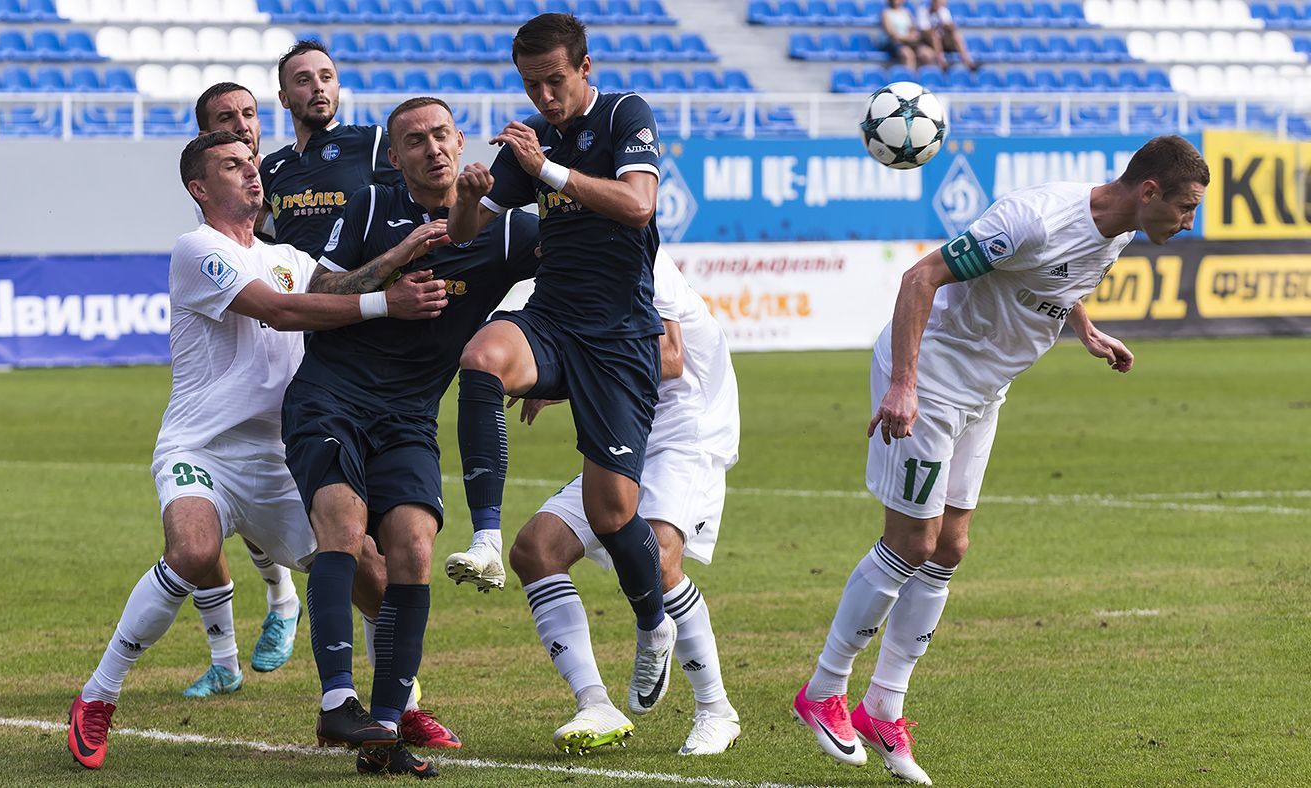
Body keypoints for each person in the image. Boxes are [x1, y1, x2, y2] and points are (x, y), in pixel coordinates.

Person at [793, 135, 1208, 785]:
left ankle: (883, 705)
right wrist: (904, 383)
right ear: (1149, 191)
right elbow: (920, 277)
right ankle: (822, 691)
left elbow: (1058, 282)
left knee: (950, 547)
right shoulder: (1034, 218)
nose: (1190, 223)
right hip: (930, 378)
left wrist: (1087, 332)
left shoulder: (1119, 232)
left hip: (984, 391)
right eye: (1185, 208)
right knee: (910, 543)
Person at [65, 130, 451, 772]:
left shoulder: (289, 255)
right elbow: (279, 310)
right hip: (204, 448)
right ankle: (98, 696)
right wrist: (387, 302)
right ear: (199, 187)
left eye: (252, 162)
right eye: (231, 165)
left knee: (378, 582)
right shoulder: (198, 249)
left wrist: (403, 250)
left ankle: (397, 707)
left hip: (278, 457)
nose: (251, 173)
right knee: (191, 551)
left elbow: (331, 285)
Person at [284, 96, 542, 778]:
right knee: (342, 525)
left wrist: (546, 364)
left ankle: (386, 731)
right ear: (393, 157)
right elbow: (323, 287)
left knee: (413, 551)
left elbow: (574, 280)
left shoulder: (507, 231)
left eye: (440, 134)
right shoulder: (369, 207)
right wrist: (394, 268)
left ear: (460, 141)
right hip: (332, 396)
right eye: (413, 141)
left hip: (408, 416)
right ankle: (338, 697)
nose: (430, 148)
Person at [445, 12, 679, 717]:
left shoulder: (621, 115)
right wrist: (466, 194)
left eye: (554, 81)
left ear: (583, 68)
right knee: (481, 358)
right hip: (552, 319)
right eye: (530, 84)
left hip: (618, 340)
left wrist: (544, 165)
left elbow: (639, 206)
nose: (543, 97)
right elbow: (465, 233)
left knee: (613, 515)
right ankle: (486, 537)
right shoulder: (527, 140)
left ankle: (652, 622)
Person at [510, 250, 742, 756]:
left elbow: (670, 359)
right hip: (626, 428)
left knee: (658, 557)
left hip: (685, 431)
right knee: (535, 550)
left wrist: (565, 380)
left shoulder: (642, 260)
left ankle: (715, 710)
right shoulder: (565, 276)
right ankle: (595, 702)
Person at [158, 81, 305, 699]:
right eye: (226, 119)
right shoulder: (206, 230)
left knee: (243, 513)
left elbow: (310, 274)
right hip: (226, 402)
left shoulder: (286, 186)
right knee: (207, 526)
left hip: (286, 391)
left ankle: (282, 597)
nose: (243, 127)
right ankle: (231, 652)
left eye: (249, 116)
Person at [259, 40, 402, 259]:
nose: (318, 86)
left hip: (357, 291)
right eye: (303, 80)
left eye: (326, 77)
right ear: (284, 98)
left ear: (337, 87)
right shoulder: (271, 167)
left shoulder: (371, 142)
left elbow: (416, 204)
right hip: (295, 290)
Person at [918, 0, 977, 72]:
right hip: (928, 41)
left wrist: (947, 26)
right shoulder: (924, 11)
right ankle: (942, 62)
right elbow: (924, 31)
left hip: (943, 40)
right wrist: (937, 30)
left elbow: (950, 26)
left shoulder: (943, 11)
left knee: (956, 36)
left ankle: (968, 61)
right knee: (935, 36)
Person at [880, 0, 935, 70]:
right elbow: (891, 34)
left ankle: (926, 78)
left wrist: (912, 36)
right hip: (895, 42)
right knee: (908, 54)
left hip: (909, 41)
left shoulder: (906, 12)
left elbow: (913, 28)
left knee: (928, 54)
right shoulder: (886, 12)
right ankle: (909, 78)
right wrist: (907, 38)